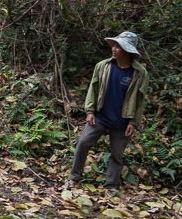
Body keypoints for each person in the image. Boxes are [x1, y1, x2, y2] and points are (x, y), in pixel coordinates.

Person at [64, 31, 150, 192]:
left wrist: (133, 122)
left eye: (119, 46)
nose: (114, 49)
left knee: (117, 154)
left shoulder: (140, 73)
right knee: (83, 143)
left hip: (123, 120)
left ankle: (111, 185)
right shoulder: (103, 66)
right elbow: (93, 88)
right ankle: (74, 178)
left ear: (128, 50)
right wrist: (89, 111)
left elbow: (140, 100)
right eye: (114, 45)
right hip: (100, 116)